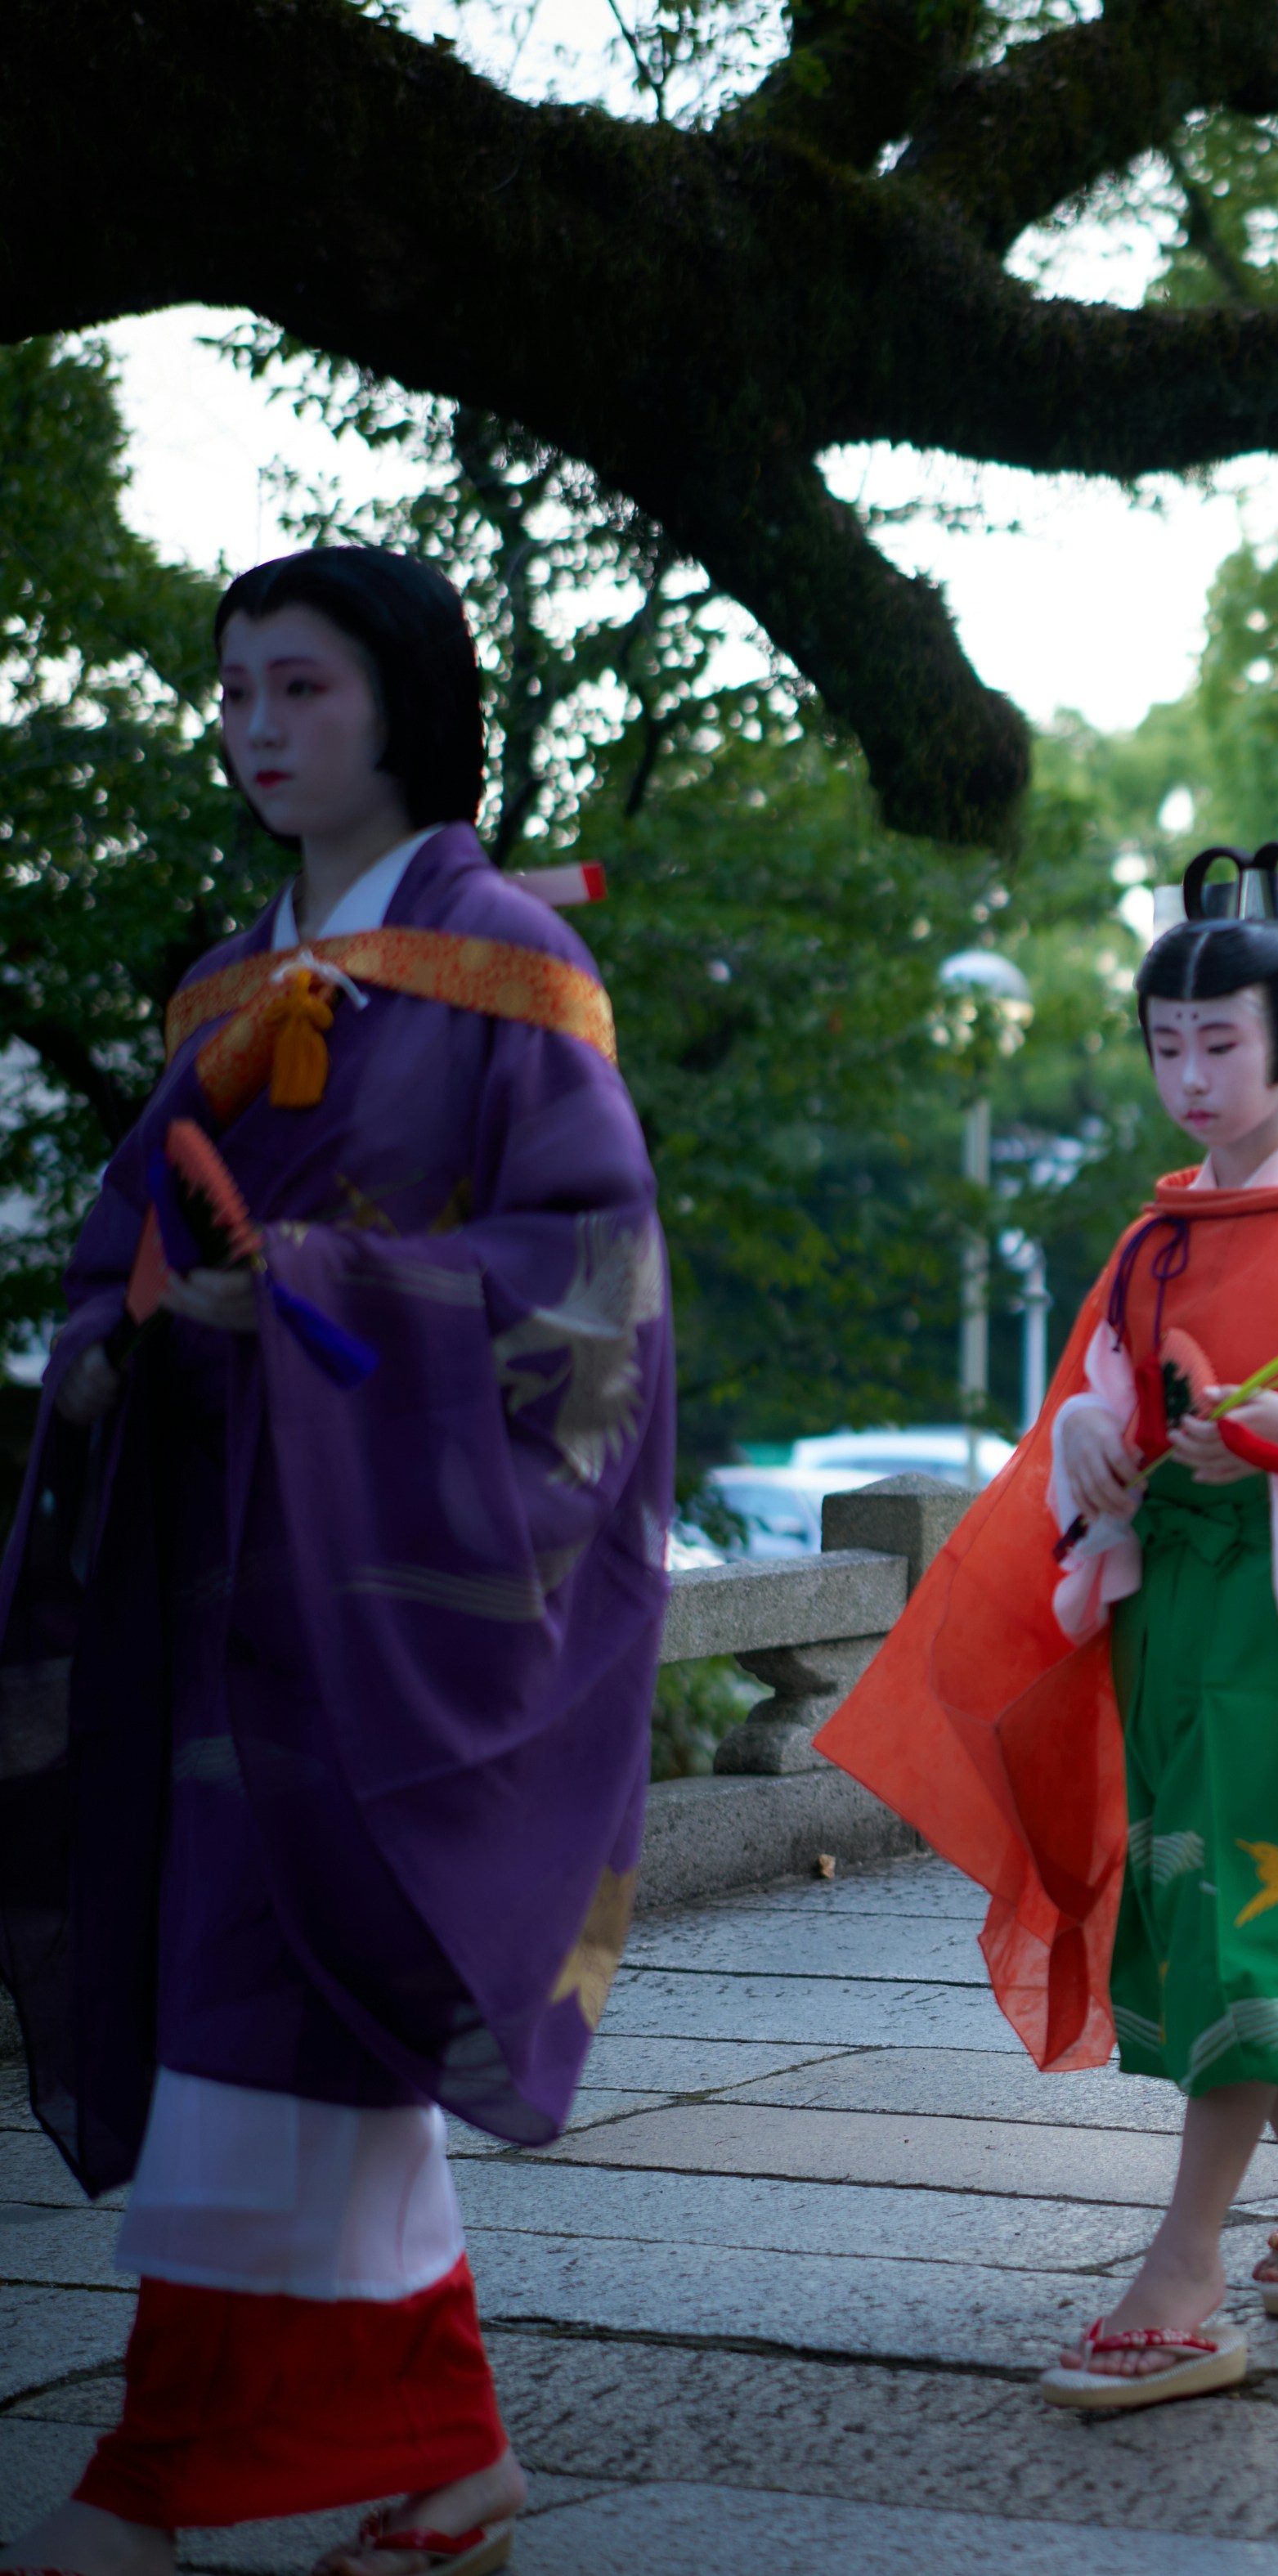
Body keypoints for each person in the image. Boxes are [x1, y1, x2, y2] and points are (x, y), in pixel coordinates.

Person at [0, 548, 669, 2576]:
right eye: (234, 692)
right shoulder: (229, 983)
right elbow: (120, 1249)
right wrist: (133, 1330)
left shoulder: (508, 977)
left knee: (278, 2005)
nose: (257, 728)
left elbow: (587, 1296)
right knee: (262, 2005)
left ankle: (169, 2463)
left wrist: (304, 1291)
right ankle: (445, 2445)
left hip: (384, 1606)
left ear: (403, 707)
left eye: (299, 688)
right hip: (218, 1583)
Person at [818, 843, 1278, 2415]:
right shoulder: (1156, 1235)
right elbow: (1102, 1388)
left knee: (1251, 1898)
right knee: (1202, 1894)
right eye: (1166, 1044)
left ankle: (1180, 2269)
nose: (1188, 1073)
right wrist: (1099, 1444)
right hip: (1172, 1610)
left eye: (1217, 1042)